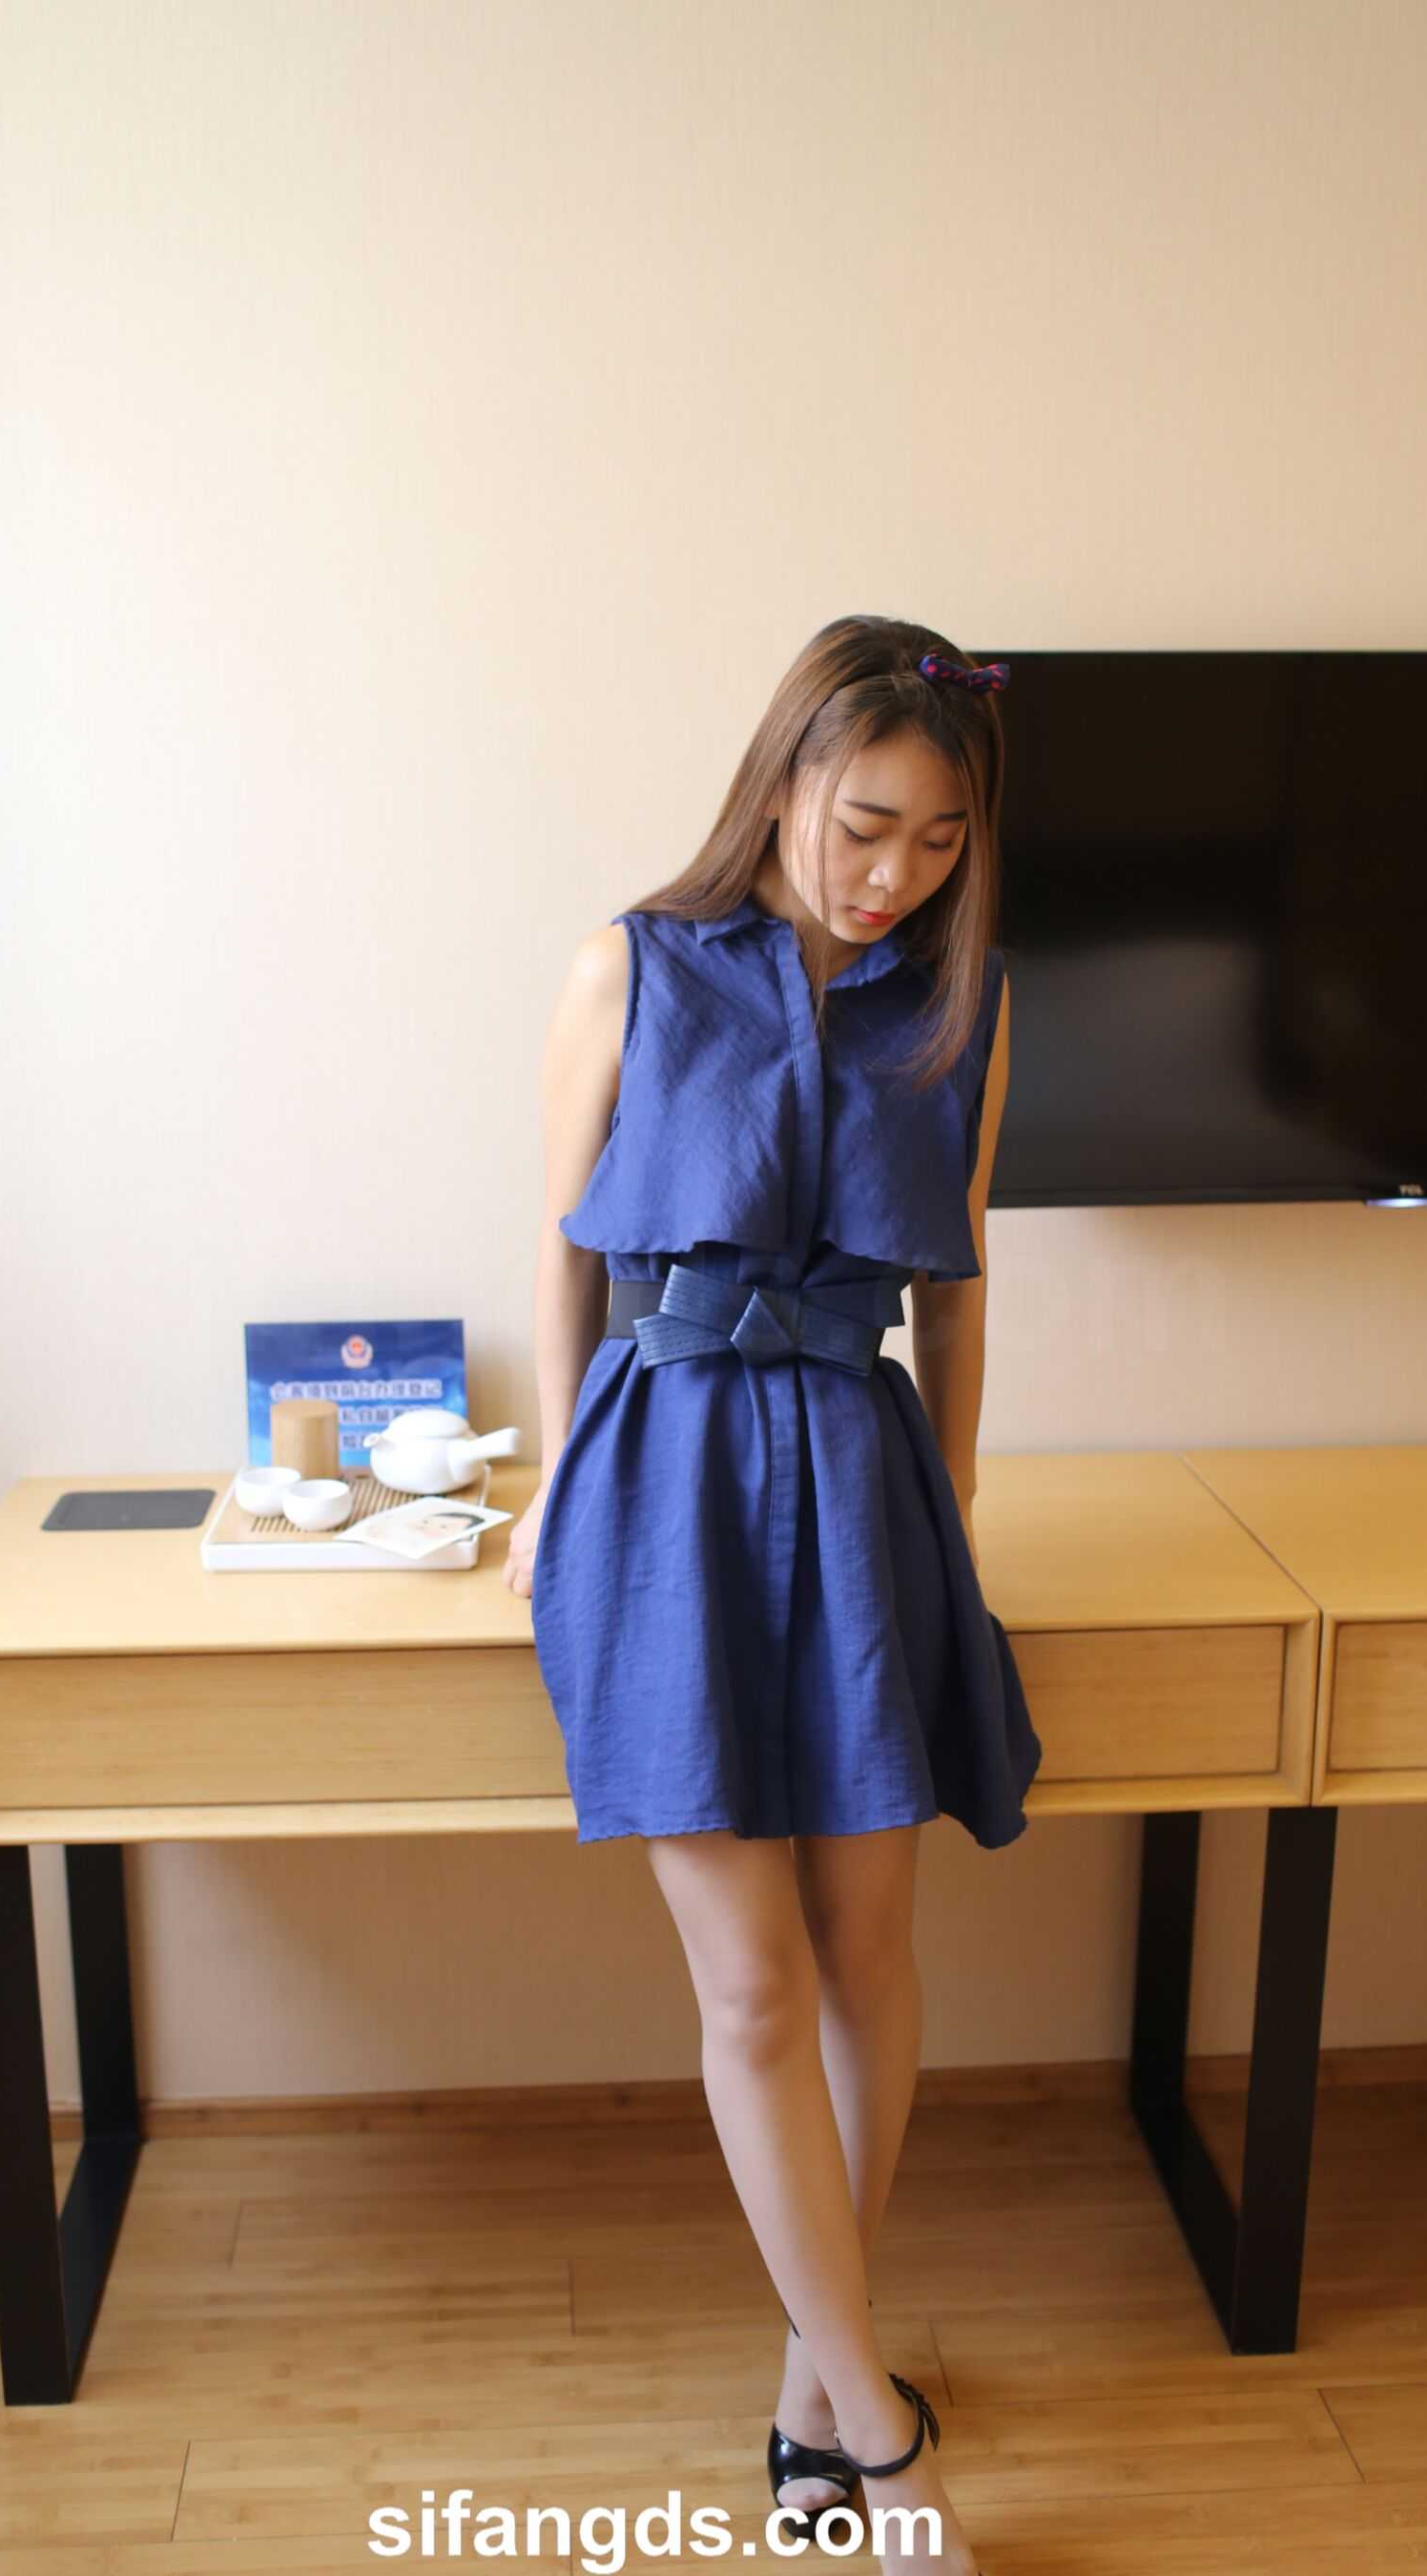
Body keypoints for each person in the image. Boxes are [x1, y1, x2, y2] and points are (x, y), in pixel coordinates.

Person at [505, 615, 1042, 2576]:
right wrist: (557, 1484)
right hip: (666, 1477)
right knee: (750, 1980)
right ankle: (882, 2437)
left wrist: (951, 1507)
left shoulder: (962, 1005)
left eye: (940, 839)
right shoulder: (631, 966)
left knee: (868, 1952)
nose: (895, 872)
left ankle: (819, 2383)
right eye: (865, 823)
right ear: (786, 779)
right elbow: (565, 1251)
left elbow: (955, 1278)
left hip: (862, 1475)